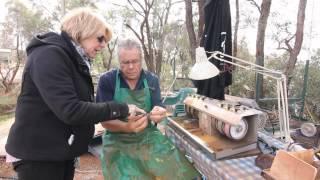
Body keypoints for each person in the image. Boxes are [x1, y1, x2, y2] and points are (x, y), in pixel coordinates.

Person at [5, 8, 144, 180]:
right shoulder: (49, 55)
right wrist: (122, 109)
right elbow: (71, 110)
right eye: (100, 38)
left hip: (59, 152)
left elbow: (83, 104)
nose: (103, 45)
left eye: (105, 41)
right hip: (39, 156)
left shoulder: (73, 60)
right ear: (83, 31)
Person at [96, 37, 200, 179]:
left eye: (135, 61)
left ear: (141, 59)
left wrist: (159, 112)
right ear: (119, 62)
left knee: (179, 172)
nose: (131, 67)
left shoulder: (151, 80)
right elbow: (104, 121)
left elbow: (158, 106)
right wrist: (127, 127)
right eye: (126, 63)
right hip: (116, 139)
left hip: (147, 136)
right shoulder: (107, 80)